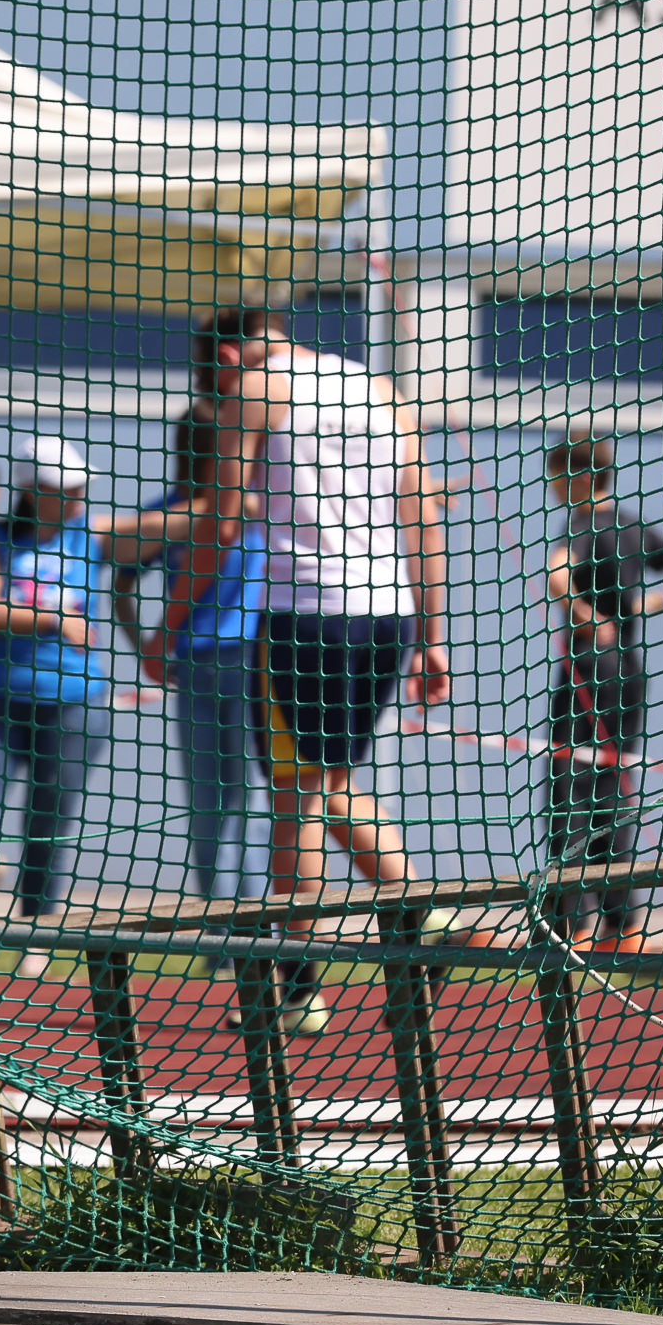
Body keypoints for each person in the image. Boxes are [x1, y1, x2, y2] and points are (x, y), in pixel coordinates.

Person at [148, 306, 453, 1037]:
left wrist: (168, 625)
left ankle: (301, 988)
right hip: (386, 618)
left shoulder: (255, 392)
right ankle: (425, 916)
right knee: (328, 786)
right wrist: (432, 636)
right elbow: (422, 515)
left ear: (227, 357)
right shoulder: (382, 390)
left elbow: (221, 525)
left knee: (296, 801)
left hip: (305, 617)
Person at [0, 435, 183, 974]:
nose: (78, 497)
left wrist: (230, 494)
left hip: (76, 703)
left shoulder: (92, 534)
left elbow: (168, 526)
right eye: (66, 489)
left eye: (80, 487)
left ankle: (36, 932)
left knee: (49, 823)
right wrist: (54, 620)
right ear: (32, 490)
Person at [540, 435, 663, 953]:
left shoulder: (583, 523)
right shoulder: (634, 526)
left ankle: (571, 922)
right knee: (614, 786)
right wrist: (650, 604)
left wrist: (584, 616)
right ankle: (622, 922)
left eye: (557, 478)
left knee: (568, 789)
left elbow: (556, 576)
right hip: (628, 671)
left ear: (579, 476)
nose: (553, 489)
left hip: (589, 666)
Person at [112, 406, 269, 924]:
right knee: (216, 805)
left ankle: (253, 931)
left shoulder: (254, 502)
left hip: (251, 662)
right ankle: (232, 934)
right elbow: (119, 577)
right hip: (202, 665)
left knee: (244, 802)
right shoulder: (181, 511)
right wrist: (144, 647)